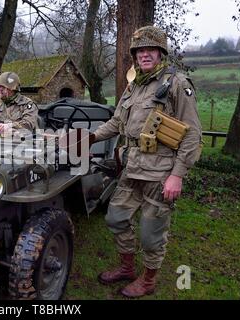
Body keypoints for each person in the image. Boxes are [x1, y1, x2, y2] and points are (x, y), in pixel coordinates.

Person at [89, 26, 202, 298]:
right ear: (135, 55)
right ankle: (127, 268)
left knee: (151, 233)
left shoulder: (176, 84)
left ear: (161, 53)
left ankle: (149, 280)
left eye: (150, 49)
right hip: (133, 168)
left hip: (161, 172)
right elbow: (117, 123)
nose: (145, 55)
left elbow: (193, 135)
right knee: (116, 217)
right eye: (140, 51)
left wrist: (177, 175)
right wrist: (89, 137)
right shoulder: (134, 85)